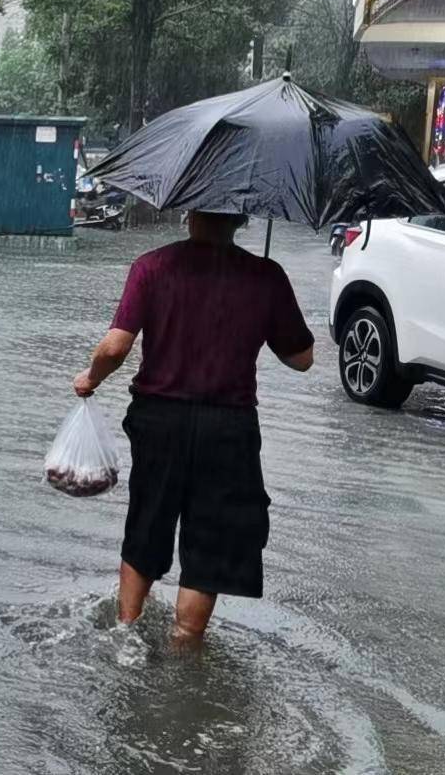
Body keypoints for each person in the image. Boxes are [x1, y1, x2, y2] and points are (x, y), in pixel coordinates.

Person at [73, 211, 315, 647]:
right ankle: (184, 643)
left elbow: (116, 346)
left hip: (158, 420)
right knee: (210, 540)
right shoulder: (265, 275)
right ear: (241, 218)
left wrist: (89, 379)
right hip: (229, 429)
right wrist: (263, 301)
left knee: (146, 524)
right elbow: (302, 358)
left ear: (187, 214)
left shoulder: (152, 266)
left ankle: (126, 634)